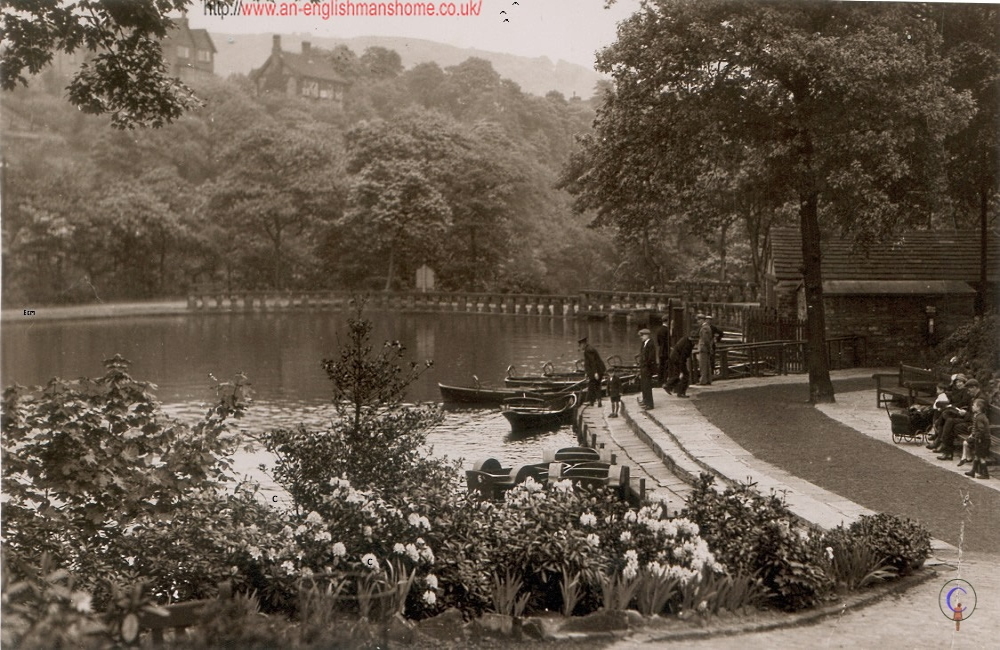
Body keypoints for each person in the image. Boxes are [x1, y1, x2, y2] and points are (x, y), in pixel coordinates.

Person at [936, 379, 985, 461]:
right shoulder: (975, 397)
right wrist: (963, 413)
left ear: (974, 387)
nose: (968, 392)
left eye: (969, 389)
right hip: (969, 420)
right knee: (949, 419)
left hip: (975, 424)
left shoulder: (981, 399)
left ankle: (946, 449)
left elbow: (979, 417)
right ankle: (945, 448)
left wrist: (965, 414)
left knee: (951, 424)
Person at [963, 398, 991, 479]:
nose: (972, 407)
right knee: (977, 455)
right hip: (982, 439)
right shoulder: (979, 416)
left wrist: (977, 437)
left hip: (982, 440)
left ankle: (985, 474)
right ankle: (973, 471)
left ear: (978, 408)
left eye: (974, 405)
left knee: (981, 457)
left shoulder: (979, 417)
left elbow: (981, 430)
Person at [664, 332, 695, 398]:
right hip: (678, 359)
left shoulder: (684, 339)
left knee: (678, 374)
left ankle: (668, 385)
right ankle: (681, 392)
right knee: (686, 375)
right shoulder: (688, 344)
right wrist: (682, 367)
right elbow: (683, 356)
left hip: (674, 358)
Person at [578, 336, 606, 408]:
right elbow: (589, 363)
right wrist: (587, 372)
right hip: (598, 370)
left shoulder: (588, 350)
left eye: (580, 345)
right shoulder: (589, 348)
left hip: (596, 370)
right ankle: (596, 401)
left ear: (583, 344)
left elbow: (593, 362)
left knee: (591, 385)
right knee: (596, 385)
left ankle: (590, 401)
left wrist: (595, 372)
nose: (580, 347)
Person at [637, 328, 657, 409]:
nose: (641, 337)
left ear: (647, 335)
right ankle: (645, 400)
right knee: (644, 385)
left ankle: (650, 404)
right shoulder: (644, 343)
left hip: (647, 368)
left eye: (642, 335)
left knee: (647, 386)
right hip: (643, 367)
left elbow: (650, 358)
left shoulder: (650, 344)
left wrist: (646, 366)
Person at [696, 314, 714, 386]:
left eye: (698, 320)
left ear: (702, 320)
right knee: (707, 364)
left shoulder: (704, 328)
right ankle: (708, 379)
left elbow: (705, 339)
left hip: (703, 348)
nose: (698, 322)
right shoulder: (707, 327)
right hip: (706, 348)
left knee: (703, 365)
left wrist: (708, 347)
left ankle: (703, 380)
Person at [656, 315, 671, 387]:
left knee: (661, 366)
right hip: (666, 350)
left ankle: (659, 381)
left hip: (660, 350)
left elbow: (658, 342)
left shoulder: (659, 330)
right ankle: (665, 381)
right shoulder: (667, 330)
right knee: (666, 366)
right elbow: (667, 342)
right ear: (667, 321)